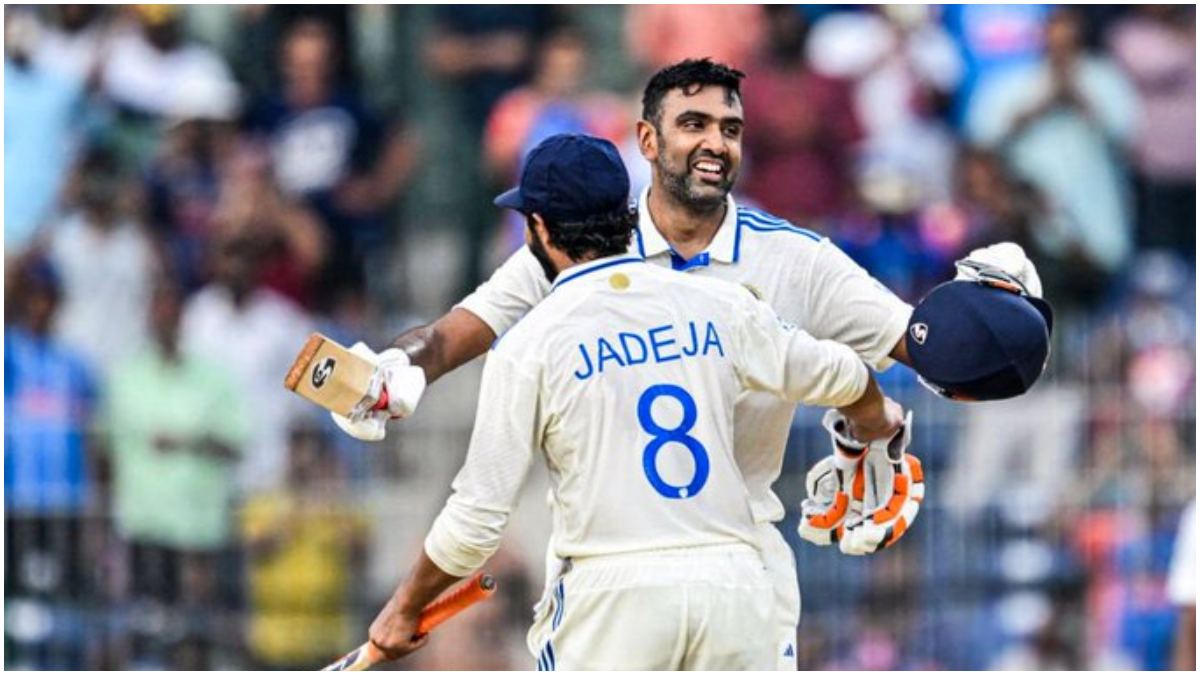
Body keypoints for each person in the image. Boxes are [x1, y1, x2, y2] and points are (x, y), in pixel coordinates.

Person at [337, 59, 1047, 669]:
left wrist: (973, 347)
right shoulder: (599, 250)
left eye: (730, 128)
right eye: (694, 124)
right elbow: (448, 335)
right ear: (646, 139)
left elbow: (927, 348)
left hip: (696, 565)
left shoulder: (793, 260)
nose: (714, 143)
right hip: (707, 584)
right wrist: (397, 368)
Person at [364, 134, 906, 669]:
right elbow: (841, 372)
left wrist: (404, 608)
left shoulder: (531, 343)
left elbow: (474, 524)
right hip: (734, 586)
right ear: (627, 213)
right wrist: (876, 424)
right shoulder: (719, 304)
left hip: (615, 596)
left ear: (540, 228)